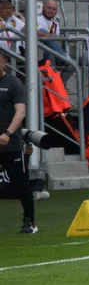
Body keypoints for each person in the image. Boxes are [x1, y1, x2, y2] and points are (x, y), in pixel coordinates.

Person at [0, 51, 35, 233]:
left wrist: (8, 133)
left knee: (20, 183)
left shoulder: (13, 84)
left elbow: (20, 112)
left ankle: (29, 220)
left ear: (4, 62)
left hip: (10, 143)